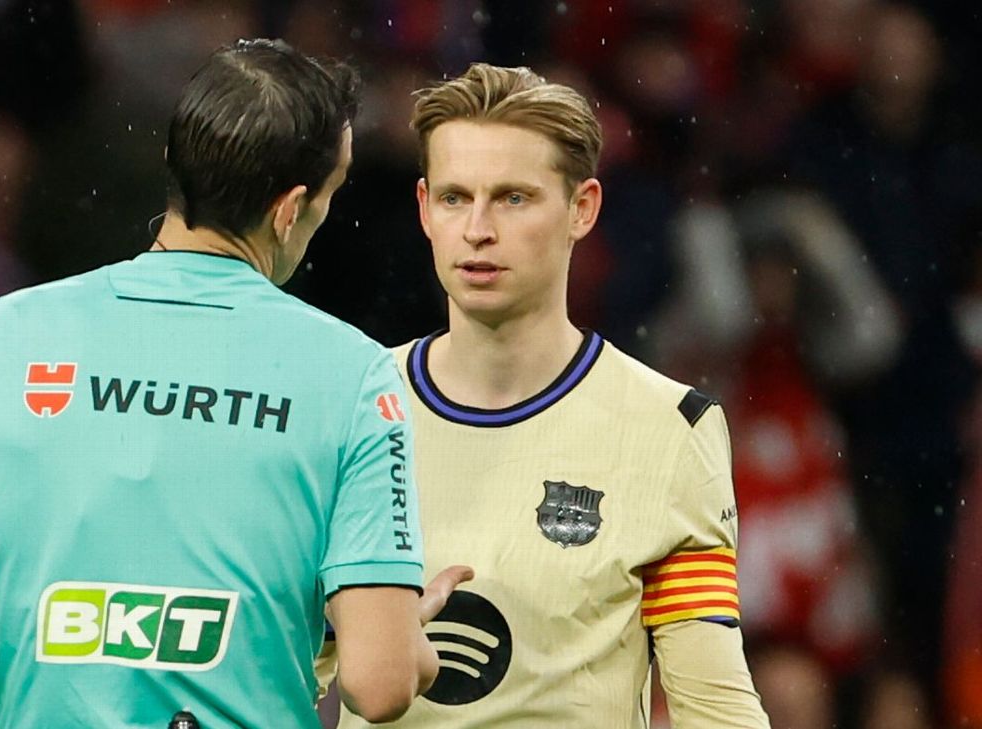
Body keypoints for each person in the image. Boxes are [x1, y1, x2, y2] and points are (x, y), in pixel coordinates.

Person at [0, 39, 469, 728]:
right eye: (330, 192)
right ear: (292, 208)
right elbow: (379, 685)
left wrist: (28, 684)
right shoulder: (352, 374)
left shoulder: (1, 334)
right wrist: (407, 645)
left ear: (177, 165)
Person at [319, 63, 770, 727]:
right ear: (423, 207)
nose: (477, 228)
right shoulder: (344, 411)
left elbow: (715, 709)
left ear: (582, 208)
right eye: (454, 197)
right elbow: (275, 677)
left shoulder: (670, 429)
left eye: (513, 198)